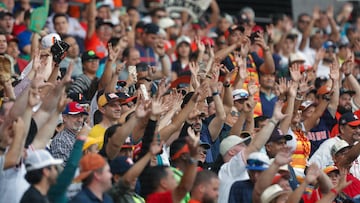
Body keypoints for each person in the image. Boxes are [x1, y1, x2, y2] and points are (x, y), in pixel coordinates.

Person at [49, 101, 88, 166]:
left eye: (81, 116)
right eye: (75, 116)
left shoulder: (84, 134)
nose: (80, 120)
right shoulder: (60, 140)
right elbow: (63, 170)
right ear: (64, 117)